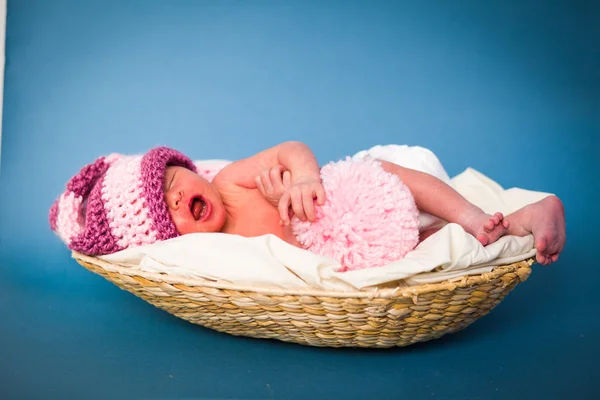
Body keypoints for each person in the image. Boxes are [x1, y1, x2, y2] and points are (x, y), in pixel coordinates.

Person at [50, 141, 565, 265]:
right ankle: (518, 222)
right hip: (362, 248)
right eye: (167, 209)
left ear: (184, 165)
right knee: (432, 253)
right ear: (170, 240)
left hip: (358, 192)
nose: (179, 194)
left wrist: (299, 180)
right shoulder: (216, 256)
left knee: (387, 172)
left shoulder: (230, 180)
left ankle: (475, 214)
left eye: (171, 179)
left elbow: (292, 149)